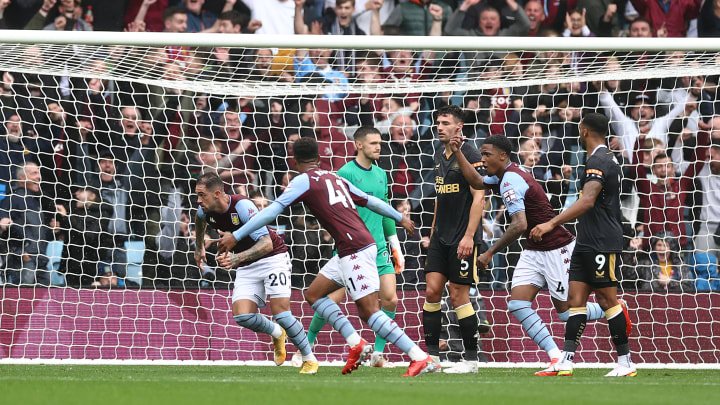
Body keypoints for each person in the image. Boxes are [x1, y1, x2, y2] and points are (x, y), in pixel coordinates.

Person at [215, 137, 435, 377]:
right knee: (315, 293)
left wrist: (236, 235)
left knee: (369, 311)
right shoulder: (335, 176)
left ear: (294, 161)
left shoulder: (303, 181)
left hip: (355, 249)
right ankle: (357, 344)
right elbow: (372, 201)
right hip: (350, 247)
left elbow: (271, 212)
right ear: (319, 158)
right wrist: (400, 217)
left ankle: (418, 356)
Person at [448, 132, 614, 375]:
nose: (483, 160)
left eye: (487, 155)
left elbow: (519, 225)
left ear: (503, 155)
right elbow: (476, 181)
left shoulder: (511, 180)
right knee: (517, 304)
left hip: (557, 249)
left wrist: (489, 252)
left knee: (567, 314)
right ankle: (556, 356)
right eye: (482, 154)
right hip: (535, 250)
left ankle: (614, 309)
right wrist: (458, 151)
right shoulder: (506, 174)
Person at [530, 113, 636, 377]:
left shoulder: (598, 160)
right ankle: (566, 361)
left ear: (585, 131)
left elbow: (588, 200)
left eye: (579, 129)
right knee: (575, 300)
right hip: (587, 240)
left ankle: (625, 363)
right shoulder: (606, 158)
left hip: (602, 241)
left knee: (607, 300)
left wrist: (551, 223)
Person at [296, 126, 405, 369]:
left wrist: (395, 244)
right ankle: (305, 347)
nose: (379, 146)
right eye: (374, 143)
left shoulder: (381, 174)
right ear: (359, 145)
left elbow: (384, 209)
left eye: (380, 142)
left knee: (390, 299)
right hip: (352, 248)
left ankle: (377, 355)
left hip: (379, 247)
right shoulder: (344, 172)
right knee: (330, 299)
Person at [193, 171, 319, 374]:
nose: (198, 201)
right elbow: (199, 223)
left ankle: (309, 358)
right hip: (246, 264)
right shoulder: (204, 211)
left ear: (217, 193)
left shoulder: (242, 206)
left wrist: (236, 258)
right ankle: (277, 333)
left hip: (273, 259)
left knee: (283, 314)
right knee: (242, 316)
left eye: (202, 195)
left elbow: (267, 243)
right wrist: (199, 247)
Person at [423, 105, 485, 374]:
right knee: (432, 291)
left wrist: (469, 236)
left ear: (459, 127)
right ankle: (433, 358)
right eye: (438, 122)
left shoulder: (471, 153)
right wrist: (432, 232)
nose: (439, 127)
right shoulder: (438, 152)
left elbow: (479, 196)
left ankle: (471, 360)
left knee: (459, 295)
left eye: (445, 123)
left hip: (463, 237)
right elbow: (440, 195)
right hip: (440, 237)